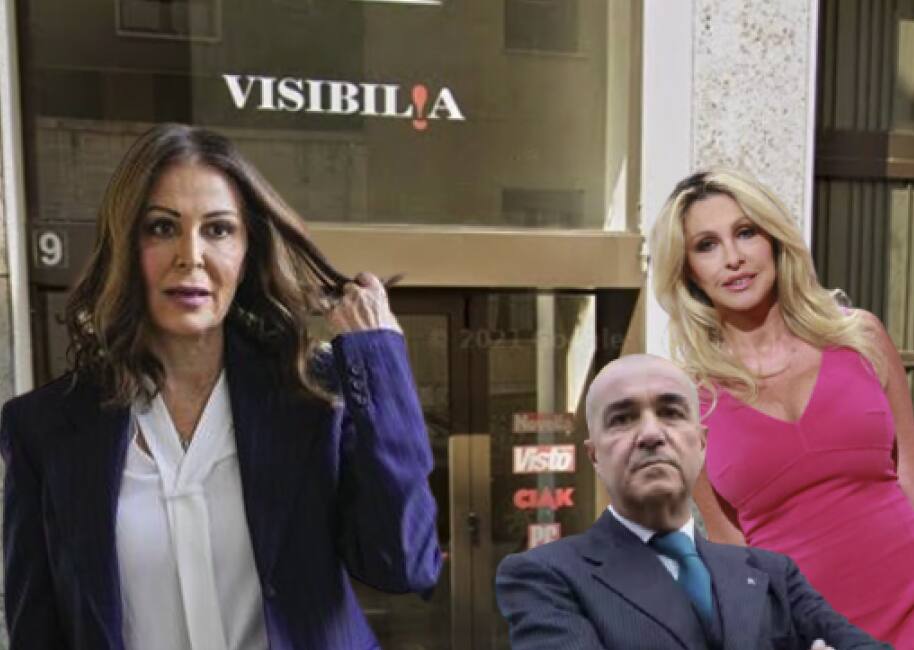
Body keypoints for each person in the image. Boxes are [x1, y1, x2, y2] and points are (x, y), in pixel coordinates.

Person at [0, 123, 442, 649]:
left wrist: (380, 364)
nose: (191, 255)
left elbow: (404, 564)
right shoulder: (44, 428)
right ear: (125, 245)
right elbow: (37, 631)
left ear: (246, 251)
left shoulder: (314, 397)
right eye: (161, 227)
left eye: (218, 230)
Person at [648, 167, 914, 646]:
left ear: (773, 239)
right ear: (688, 272)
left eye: (745, 232)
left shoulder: (861, 337)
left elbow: (910, 471)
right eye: (706, 245)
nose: (733, 258)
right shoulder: (689, 402)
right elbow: (729, 544)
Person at [495, 354, 890, 650]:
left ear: (701, 443)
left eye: (670, 412)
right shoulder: (545, 577)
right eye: (622, 419)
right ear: (594, 455)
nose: (651, 434)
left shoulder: (772, 574)